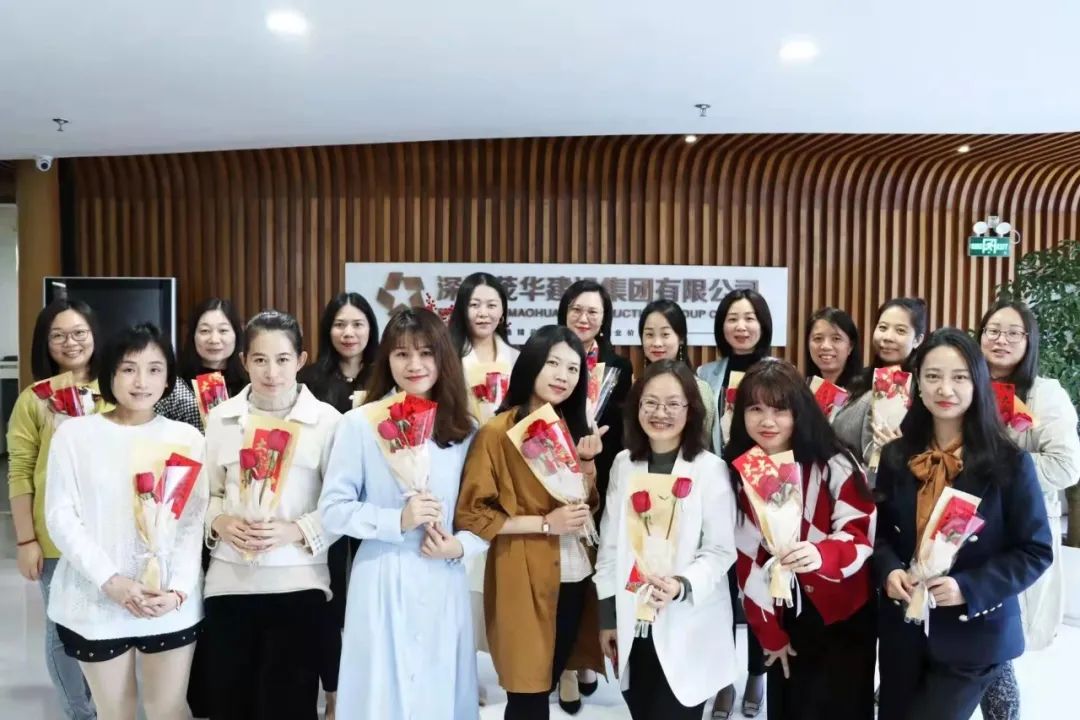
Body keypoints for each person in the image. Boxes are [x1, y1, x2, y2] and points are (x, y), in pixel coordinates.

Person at [874, 328, 1053, 720]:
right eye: (933, 376)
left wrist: (967, 588)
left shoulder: (1010, 463)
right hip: (903, 629)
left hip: (974, 634)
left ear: (978, 383)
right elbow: (881, 534)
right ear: (917, 383)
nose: (945, 389)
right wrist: (888, 571)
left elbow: (1035, 550)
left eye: (959, 377)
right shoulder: (896, 456)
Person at [319, 307, 481, 720]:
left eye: (426, 353)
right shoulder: (360, 424)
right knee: (382, 695)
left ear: (443, 358)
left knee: (438, 690)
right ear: (386, 359)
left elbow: (482, 512)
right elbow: (333, 511)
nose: (414, 365)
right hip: (381, 574)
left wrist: (460, 547)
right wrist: (397, 521)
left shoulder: (464, 429)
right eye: (402, 354)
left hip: (442, 575)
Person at [45, 323, 206, 720]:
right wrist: (111, 581)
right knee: (115, 712)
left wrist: (179, 590)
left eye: (154, 369)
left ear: (168, 378)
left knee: (168, 709)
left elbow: (191, 524)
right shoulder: (75, 436)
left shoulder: (186, 439)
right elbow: (61, 516)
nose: (141, 381)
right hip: (97, 601)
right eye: (129, 368)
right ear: (110, 373)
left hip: (167, 602)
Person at [456, 325, 607, 719]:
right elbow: (472, 514)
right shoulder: (496, 432)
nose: (563, 376)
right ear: (531, 365)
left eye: (573, 369)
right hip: (522, 574)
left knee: (548, 679)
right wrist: (544, 524)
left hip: (575, 575)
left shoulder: (571, 426)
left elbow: (585, 505)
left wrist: (588, 464)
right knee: (527, 693)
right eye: (553, 363)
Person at [202, 311, 342, 720]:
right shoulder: (221, 419)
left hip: (299, 583)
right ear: (243, 361)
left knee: (289, 705)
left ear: (301, 360)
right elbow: (205, 495)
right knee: (230, 705)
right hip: (229, 583)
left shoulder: (328, 422)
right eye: (260, 360)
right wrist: (220, 522)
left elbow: (340, 505)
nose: (271, 372)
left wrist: (295, 531)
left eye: (282, 359)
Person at [726, 359, 877, 720]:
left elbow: (860, 530)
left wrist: (822, 553)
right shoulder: (741, 471)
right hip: (784, 612)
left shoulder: (834, 461)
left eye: (780, 410)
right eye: (755, 409)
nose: (767, 421)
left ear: (800, 411)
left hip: (843, 610)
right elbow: (746, 559)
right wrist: (768, 632)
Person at [594, 360, 737, 719]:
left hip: (687, 619)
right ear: (637, 406)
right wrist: (608, 617)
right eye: (651, 403)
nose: (661, 413)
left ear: (691, 410)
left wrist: (682, 584)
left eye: (673, 404)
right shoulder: (624, 464)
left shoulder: (709, 469)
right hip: (634, 620)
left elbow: (720, 550)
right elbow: (609, 546)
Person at [975, 301, 1080, 720]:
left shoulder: (1045, 394)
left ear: (1029, 340)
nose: (1001, 340)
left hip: (1016, 530)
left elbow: (1066, 466)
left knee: (998, 632)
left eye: (1013, 332)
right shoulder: (965, 384)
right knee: (971, 623)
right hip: (960, 526)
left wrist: (996, 465)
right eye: (992, 330)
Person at [8, 297, 107, 720]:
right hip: (53, 537)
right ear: (44, 344)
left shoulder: (116, 390)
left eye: (79, 332)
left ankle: (111, 705)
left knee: (106, 624)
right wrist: (26, 540)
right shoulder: (34, 400)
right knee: (63, 626)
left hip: (109, 531)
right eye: (58, 335)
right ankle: (80, 712)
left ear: (94, 335)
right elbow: (20, 472)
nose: (71, 342)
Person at [296, 292, 380, 719]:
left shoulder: (385, 375)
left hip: (376, 504)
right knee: (328, 600)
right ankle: (332, 694)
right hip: (324, 501)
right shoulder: (310, 379)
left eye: (358, 324)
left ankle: (369, 690)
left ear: (371, 329)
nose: (349, 333)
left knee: (368, 600)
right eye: (340, 324)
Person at [697, 288, 774, 718]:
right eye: (732, 319)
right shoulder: (706, 374)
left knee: (759, 587)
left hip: (766, 496)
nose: (741, 327)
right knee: (721, 591)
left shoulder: (779, 373)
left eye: (749, 319)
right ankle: (723, 679)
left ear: (763, 325)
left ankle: (758, 673)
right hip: (717, 493)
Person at [557, 280, 632, 705]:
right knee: (565, 574)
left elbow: (622, 430)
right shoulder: (550, 355)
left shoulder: (619, 367)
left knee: (594, 571)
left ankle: (585, 655)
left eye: (593, 312)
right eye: (577, 309)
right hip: (553, 476)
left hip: (600, 480)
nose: (583, 318)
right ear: (564, 311)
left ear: (604, 320)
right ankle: (566, 667)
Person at [446, 272, 519, 703]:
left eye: (492, 304)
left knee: (501, 573)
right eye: (475, 304)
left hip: (508, 473)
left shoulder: (518, 357)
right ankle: (463, 671)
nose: (484, 313)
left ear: (503, 310)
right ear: (462, 309)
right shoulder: (449, 356)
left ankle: (511, 667)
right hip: (462, 470)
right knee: (466, 576)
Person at [832, 297, 927, 467]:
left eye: (900, 331)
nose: (888, 337)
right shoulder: (861, 378)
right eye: (883, 327)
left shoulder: (906, 387)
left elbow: (875, 461)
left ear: (918, 340)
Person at [639, 299, 716, 446]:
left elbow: (703, 443)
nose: (656, 343)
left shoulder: (699, 389)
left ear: (681, 338)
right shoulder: (638, 386)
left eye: (665, 334)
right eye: (649, 334)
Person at [804, 307, 862, 388]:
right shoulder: (801, 390)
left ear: (850, 346)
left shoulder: (867, 391)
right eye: (818, 338)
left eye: (836, 339)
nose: (825, 346)